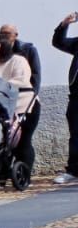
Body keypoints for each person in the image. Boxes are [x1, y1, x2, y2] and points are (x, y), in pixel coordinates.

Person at [0, 22, 42, 173]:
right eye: (1, 33)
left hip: (25, 99)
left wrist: (32, 94)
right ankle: (1, 174)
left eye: (7, 33)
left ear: (16, 35)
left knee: (23, 140)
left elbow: (36, 76)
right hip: (5, 101)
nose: (4, 36)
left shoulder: (28, 50)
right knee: (4, 140)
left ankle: (24, 174)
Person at [52, 13, 78, 185]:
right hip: (77, 96)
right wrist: (64, 24)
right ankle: (74, 171)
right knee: (76, 134)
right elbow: (58, 42)